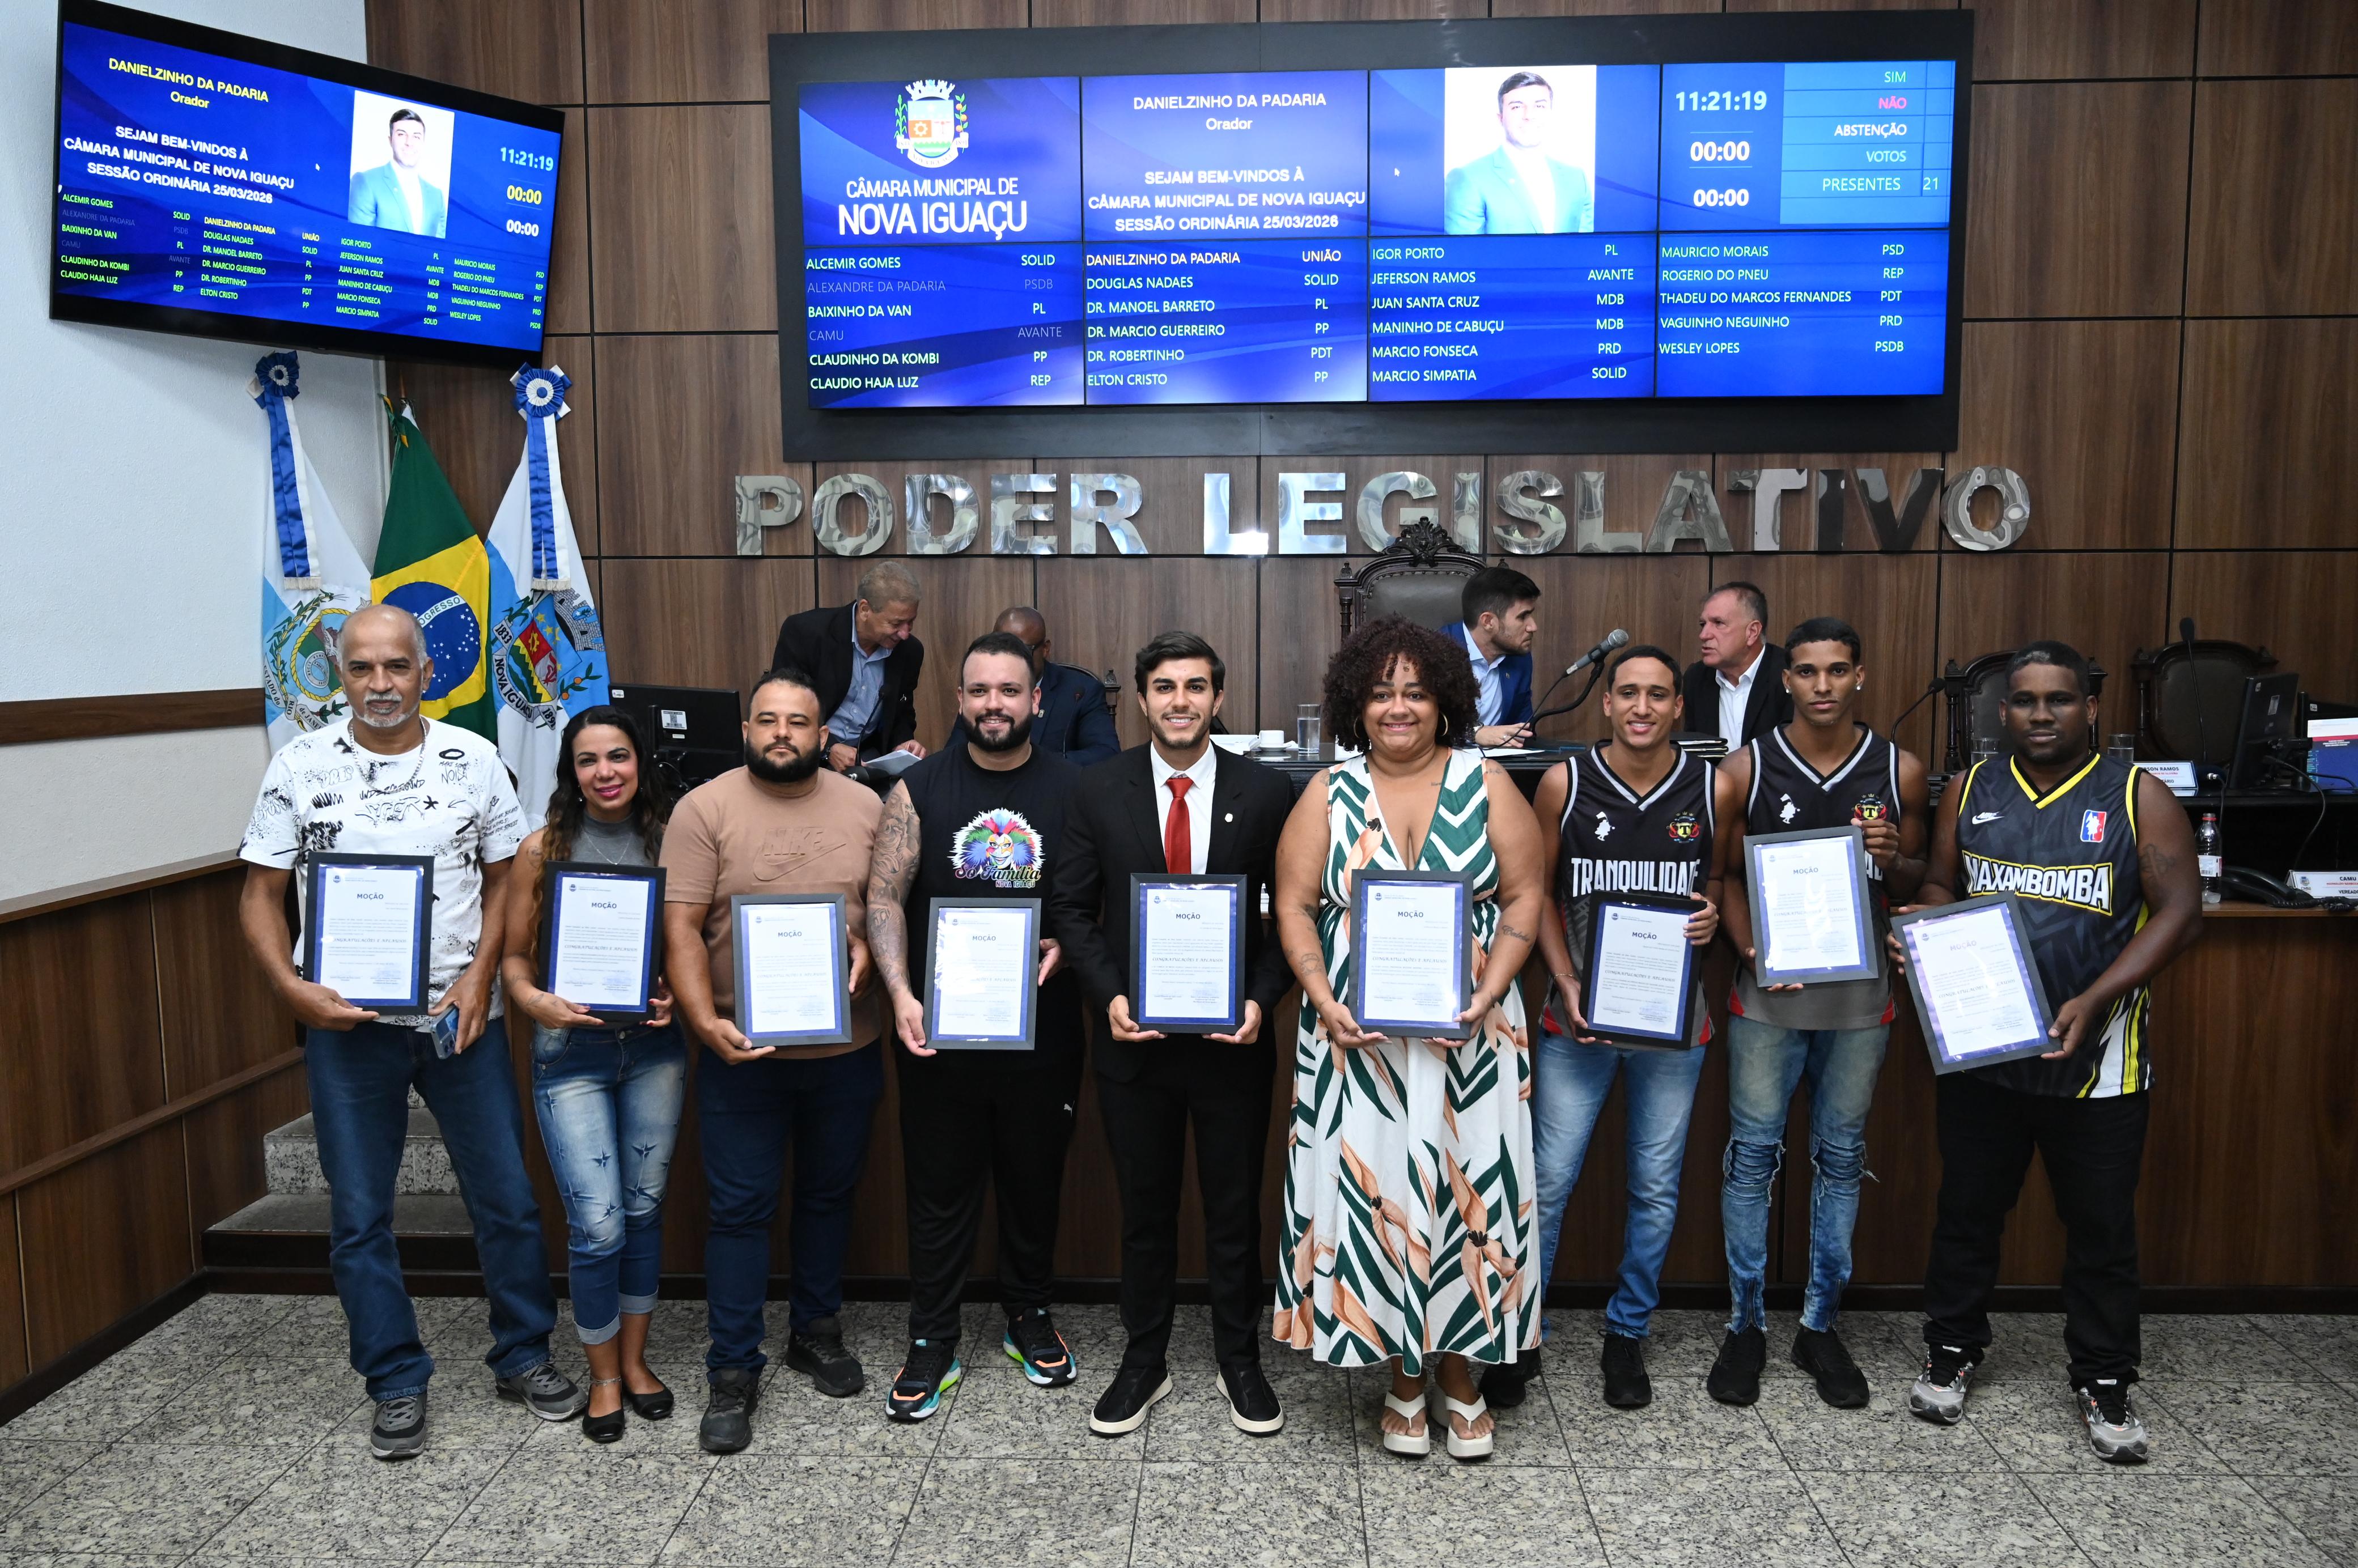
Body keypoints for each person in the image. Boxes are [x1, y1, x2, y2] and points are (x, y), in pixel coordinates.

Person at [235, 604, 582, 1461]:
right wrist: (291, 987)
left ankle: (525, 1353)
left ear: (429, 673)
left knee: (503, 1196)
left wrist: (478, 977)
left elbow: (510, 880)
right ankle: (394, 1376)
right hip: (348, 1026)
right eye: (362, 668)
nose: (381, 684)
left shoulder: (474, 760)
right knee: (359, 1213)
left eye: (397, 666)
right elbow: (257, 896)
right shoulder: (299, 764)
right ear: (340, 676)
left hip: (459, 1020)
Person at [1902, 641, 2200, 1464]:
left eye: (2059, 700)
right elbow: (1939, 885)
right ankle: (1952, 1349)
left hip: (2099, 1060)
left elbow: (2181, 911)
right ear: (2003, 711)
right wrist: (1920, 937)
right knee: (1967, 1209)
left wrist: (2099, 995)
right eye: (2026, 700)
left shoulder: (2139, 796)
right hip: (1984, 1052)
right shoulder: (1971, 788)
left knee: (2100, 1226)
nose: (2041, 714)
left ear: (2090, 707)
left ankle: (2104, 1378)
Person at [1273, 616, 1546, 1461]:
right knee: (1379, 1195)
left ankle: (1461, 1375)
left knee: (1470, 1194)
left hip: (1471, 1034)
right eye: (1382, 691)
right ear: (1357, 703)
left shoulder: (1487, 779)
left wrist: (1492, 987)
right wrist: (1321, 996)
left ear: (1445, 702)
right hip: (1360, 1039)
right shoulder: (1329, 789)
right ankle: (1400, 1373)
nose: (1399, 707)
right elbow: (1293, 905)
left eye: (1417, 692)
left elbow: (1529, 894)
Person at [1047, 632, 1296, 1438]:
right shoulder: (1097, 787)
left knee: (1233, 1209)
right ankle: (1143, 1358)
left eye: (1195, 686)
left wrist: (1262, 998)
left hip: (1232, 1042)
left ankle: (1240, 1359)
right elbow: (1072, 910)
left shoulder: (1264, 792)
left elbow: (1281, 918)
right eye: (1164, 687)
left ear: (1218, 698)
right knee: (1144, 1209)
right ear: (1144, 699)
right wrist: (1111, 994)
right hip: (1134, 1040)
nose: (1180, 700)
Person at [1486, 643, 1733, 1412]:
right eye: (1628, 692)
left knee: (1655, 1186)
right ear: (1607, 702)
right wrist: (1564, 980)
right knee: (1548, 1183)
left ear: (1678, 707)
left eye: (1658, 694)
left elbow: (1718, 879)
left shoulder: (1712, 786)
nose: (1642, 707)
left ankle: (1627, 1332)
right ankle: (1521, 1330)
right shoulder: (1565, 779)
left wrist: (1715, 915)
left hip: (1673, 1023)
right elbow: (1534, 891)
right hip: (1578, 1017)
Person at [660, 668, 888, 1454]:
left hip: (846, 1046)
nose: (783, 732)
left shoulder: (868, 805)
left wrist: (866, 939)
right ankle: (732, 1366)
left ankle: (814, 1330)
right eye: (768, 719)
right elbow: (682, 929)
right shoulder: (704, 807)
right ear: (748, 729)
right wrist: (701, 1021)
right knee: (740, 1209)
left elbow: (887, 914)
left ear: (824, 736)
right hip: (740, 1050)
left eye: (799, 721)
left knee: (829, 1196)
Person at [1706, 619, 1929, 1409]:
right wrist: (1751, 950)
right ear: (1788, 679)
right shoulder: (1747, 766)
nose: (1823, 685)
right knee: (1754, 1155)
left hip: (1862, 998)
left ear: (1860, 675)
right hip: (1771, 994)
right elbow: (1725, 875)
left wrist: (1894, 851)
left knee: (1840, 1155)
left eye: (1838, 670)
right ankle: (1744, 1324)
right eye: (1807, 671)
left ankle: (1820, 1323)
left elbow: (1920, 878)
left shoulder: (1898, 768)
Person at [867, 630, 1085, 1422]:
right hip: (939, 1030)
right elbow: (885, 897)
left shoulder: (1075, 790)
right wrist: (898, 991)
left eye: (1009, 689)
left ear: (1036, 699)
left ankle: (1029, 1315)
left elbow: (1088, 904)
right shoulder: (918, 789)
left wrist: (1067, 937)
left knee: (1035, 1181)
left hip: (1044, 1030)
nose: (995, 702)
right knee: (939, 1188)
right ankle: (933, 1336)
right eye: (980, 690)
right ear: (959, 701)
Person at [499, 706, 685, 1442]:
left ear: (641, 762)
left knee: (642, 1211)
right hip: (568, 1054)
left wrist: (680, 992)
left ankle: (635, 1364)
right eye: (587, 760)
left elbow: (694, 943)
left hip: (654, 1051)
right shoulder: (542, 847)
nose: (604, 771)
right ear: (570, 772)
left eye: (618, 755)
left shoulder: (673, 841)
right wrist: (537, 997)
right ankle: (603, 1373)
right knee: (598, 1222)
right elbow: (513, 959)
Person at [771, 561, 928, 772]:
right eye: (896, 623)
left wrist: (903, 744)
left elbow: (902, 713)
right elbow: (783, 707)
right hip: (803, 754)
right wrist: (828, 747)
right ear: (865, 610)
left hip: (866, 760)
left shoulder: (910, 651)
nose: (905, 633)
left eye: (911, 622)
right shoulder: (806, 633)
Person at [947, 606, 1119, 768]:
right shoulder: (982, 694)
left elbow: (1106, 754)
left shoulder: (1080, 691)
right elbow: (953, 757)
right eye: (999, 647)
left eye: (1023, 649)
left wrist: (1036, 768)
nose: (1009, 658)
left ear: (1045, 649)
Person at [1443, 70, 1594, 235]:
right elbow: (1464, 256)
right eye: (1517, 107)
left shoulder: (1577, 178)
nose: (1529, 115)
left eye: (1540, 106)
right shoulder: (1468, 178)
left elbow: (1587, 251)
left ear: (1551, 114)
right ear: (1500, 118)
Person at [1683, 583, 1792, 751]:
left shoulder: (1789, 674)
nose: (1704, 635)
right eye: (1703, 624)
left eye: (1718, 623)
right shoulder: (1696, 678)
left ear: (1752, 632)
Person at [1457, 566, 1540, 749]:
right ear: (1488, 622)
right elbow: (1417, 727)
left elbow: (1522, 731)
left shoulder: (1520, 659)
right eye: (1523, 617)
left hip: (1499, 769)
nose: (1533, 627)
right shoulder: (1434, 655)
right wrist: (1475, 733)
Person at [347, 107, 448, 238]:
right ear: (390, 140)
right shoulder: (366, 182)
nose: (409, 143)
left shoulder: (437, 196)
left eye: (416, 137)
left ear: (423, 143)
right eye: (401, 134)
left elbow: (440, 251)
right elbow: (359, 243)